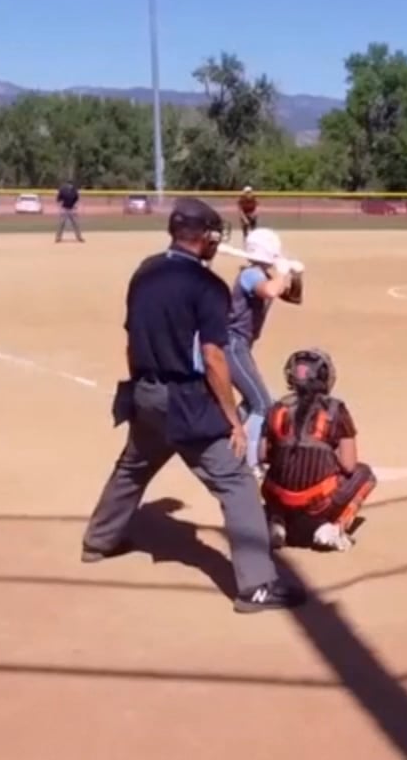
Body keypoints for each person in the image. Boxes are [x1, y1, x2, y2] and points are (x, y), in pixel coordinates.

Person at [79, 199, 304, 613]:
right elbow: (214, 358)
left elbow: (131, 341)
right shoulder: (207, 286)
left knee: (133, 465)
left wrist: (140, 388)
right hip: (184, 398)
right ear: (205, 238)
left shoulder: (145, 272)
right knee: (236, 481)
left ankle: (99, 540)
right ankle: (256, 586)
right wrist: (232, 421)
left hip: (146, 389)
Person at [261, 348, 377, 552]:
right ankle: (334, 528)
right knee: (365, 474)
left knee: (270, 476)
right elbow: (349, 465)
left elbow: (262, 455)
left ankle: (277, 520)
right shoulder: (335, 410)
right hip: (318, 503)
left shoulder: (277, 408)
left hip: (279, 497)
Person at [227, 227, 299, 477]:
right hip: (232, 344)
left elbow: (294, 297)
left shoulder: (264, 275)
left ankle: (222, 437)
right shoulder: (250, 275)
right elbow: (269, 291)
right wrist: (283, 272)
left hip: (241, 345)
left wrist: (295, 276)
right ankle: (251, 462)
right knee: (262, 404)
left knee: (252, 401)